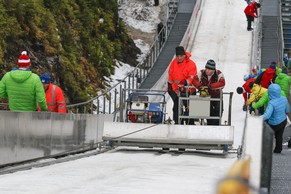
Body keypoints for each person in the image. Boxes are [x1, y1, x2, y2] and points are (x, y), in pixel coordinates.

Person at [167, 46, 197, 124]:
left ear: (184, 55)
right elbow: (171, 74)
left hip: (188, 90)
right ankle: (177, 123)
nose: (179, 58)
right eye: (177, 56)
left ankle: (190, 124)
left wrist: (185, 82)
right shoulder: (174, 63)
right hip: (176, 90)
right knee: (176, 107)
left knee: (189, 109)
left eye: (181, 56)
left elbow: (192, 77)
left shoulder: (191, 64)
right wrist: (169, 85)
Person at [193, 59, 225, 125]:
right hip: (206, 97)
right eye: (206, 68)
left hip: (217, 97)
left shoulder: (219, 74)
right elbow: (194, 80)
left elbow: (222, 83)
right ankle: (209, 124)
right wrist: (200, 87)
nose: (206, 70)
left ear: (213, 70)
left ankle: (216, 126)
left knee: (218, 111)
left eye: (209, 69)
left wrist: (210, 87)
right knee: (208, 112)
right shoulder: (201, 73)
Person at [262, 84, 290, 153]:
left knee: (267, 135)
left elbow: (267, 115)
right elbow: (288, 110)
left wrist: (259, 118)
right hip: (283, 121)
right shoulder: (284, 98)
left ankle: (266, 150)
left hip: (273, 124)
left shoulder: (271, 103)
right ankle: (278, 149)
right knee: (279, 136)